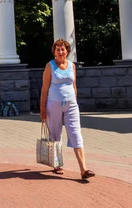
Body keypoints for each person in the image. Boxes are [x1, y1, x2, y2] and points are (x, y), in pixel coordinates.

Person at [40, 38, 95, 179]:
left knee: (76, 133)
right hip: (53, 105)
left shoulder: (72, 66)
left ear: (67, 51)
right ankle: (57, 165)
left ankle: (83, 169)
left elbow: (74, 85)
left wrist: (75, 102)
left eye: (63, 49)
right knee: (55, 135)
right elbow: (44, 89)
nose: (61, 51)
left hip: (71, 105)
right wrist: (42, 109)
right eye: (58, 49)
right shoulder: (50, 66)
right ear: (54, 52)